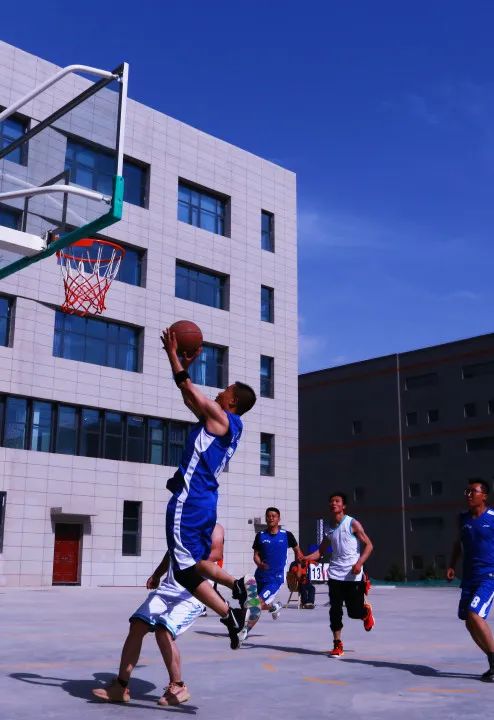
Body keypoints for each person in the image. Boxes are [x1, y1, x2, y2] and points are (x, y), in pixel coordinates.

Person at [161, 329, 260, 649]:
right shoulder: (224, 424)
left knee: (184, 571)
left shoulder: (223, 418)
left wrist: (172, 354)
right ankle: (239, 586)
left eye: (225, 390)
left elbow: (189, 388)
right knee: (198, 560)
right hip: (204, 501)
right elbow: (189, 396)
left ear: (232, 401)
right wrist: (184, 369)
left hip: (189, 502)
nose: (219, 392)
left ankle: (230, 617)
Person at [92, 524, 225, 706]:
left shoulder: (214, 527)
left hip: (193, 592)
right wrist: (156, 575)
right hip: (168, 589)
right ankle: (120, 687)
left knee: (163, 630)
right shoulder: (181, 523)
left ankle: (178, 686)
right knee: (137, 625)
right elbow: (170, 552)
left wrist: (185, 561)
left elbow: (216, 553)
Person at [304, 492, 375, 657]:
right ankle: (337, 644)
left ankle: (365, 612)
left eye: (337, 501)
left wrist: (359, 563)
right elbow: (320, 552)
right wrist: (305, 558)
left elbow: (369, 545)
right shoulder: (328, 528)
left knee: (353, 612)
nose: (333, 503)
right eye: (331, 501)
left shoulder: (352, 523)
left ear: (343, 506)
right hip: (335, 574)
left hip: (353, 574)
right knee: (335, 610)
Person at [446, 479, 494, 682]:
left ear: (484, 496)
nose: (468, 495)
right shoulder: (463, 518)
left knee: (475, 614)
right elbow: (458, 543)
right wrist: (451, 565)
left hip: (489, 576)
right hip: (469, 577)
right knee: (468, 622)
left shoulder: (492, 517)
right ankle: (492, 660)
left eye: (473, 491)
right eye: (467, 491)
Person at [251, 507, 303, 623]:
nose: (271, 518)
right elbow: (255, 555)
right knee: (255, 603)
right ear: (266, 518)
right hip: (260, 576)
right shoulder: (260, 535)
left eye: (273, 516)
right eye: (268, 516)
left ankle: (244, 628)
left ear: (278, 519)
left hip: (276, 578)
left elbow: (298, 552)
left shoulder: (287, 535)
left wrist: (299, 568)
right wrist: (259, 563)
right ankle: (274, 607)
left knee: (257, 603)